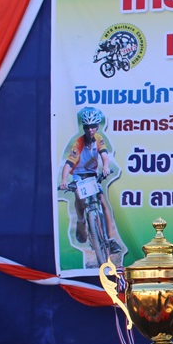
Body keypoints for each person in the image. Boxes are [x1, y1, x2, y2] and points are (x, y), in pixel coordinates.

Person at [59, 107, 122, 255]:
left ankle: (110, 240)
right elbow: (69, 163)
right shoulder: (79, 143)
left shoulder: (99, 139)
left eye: (93, 126)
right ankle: (81, 220)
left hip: (92, 174)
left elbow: (104, 155)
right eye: (87, 127)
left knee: (102, 202)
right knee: (79, 196)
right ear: (84, 128)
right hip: (78, 174)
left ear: (97, 126)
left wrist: (105, 167)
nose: (90, 130)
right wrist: (64, 179)